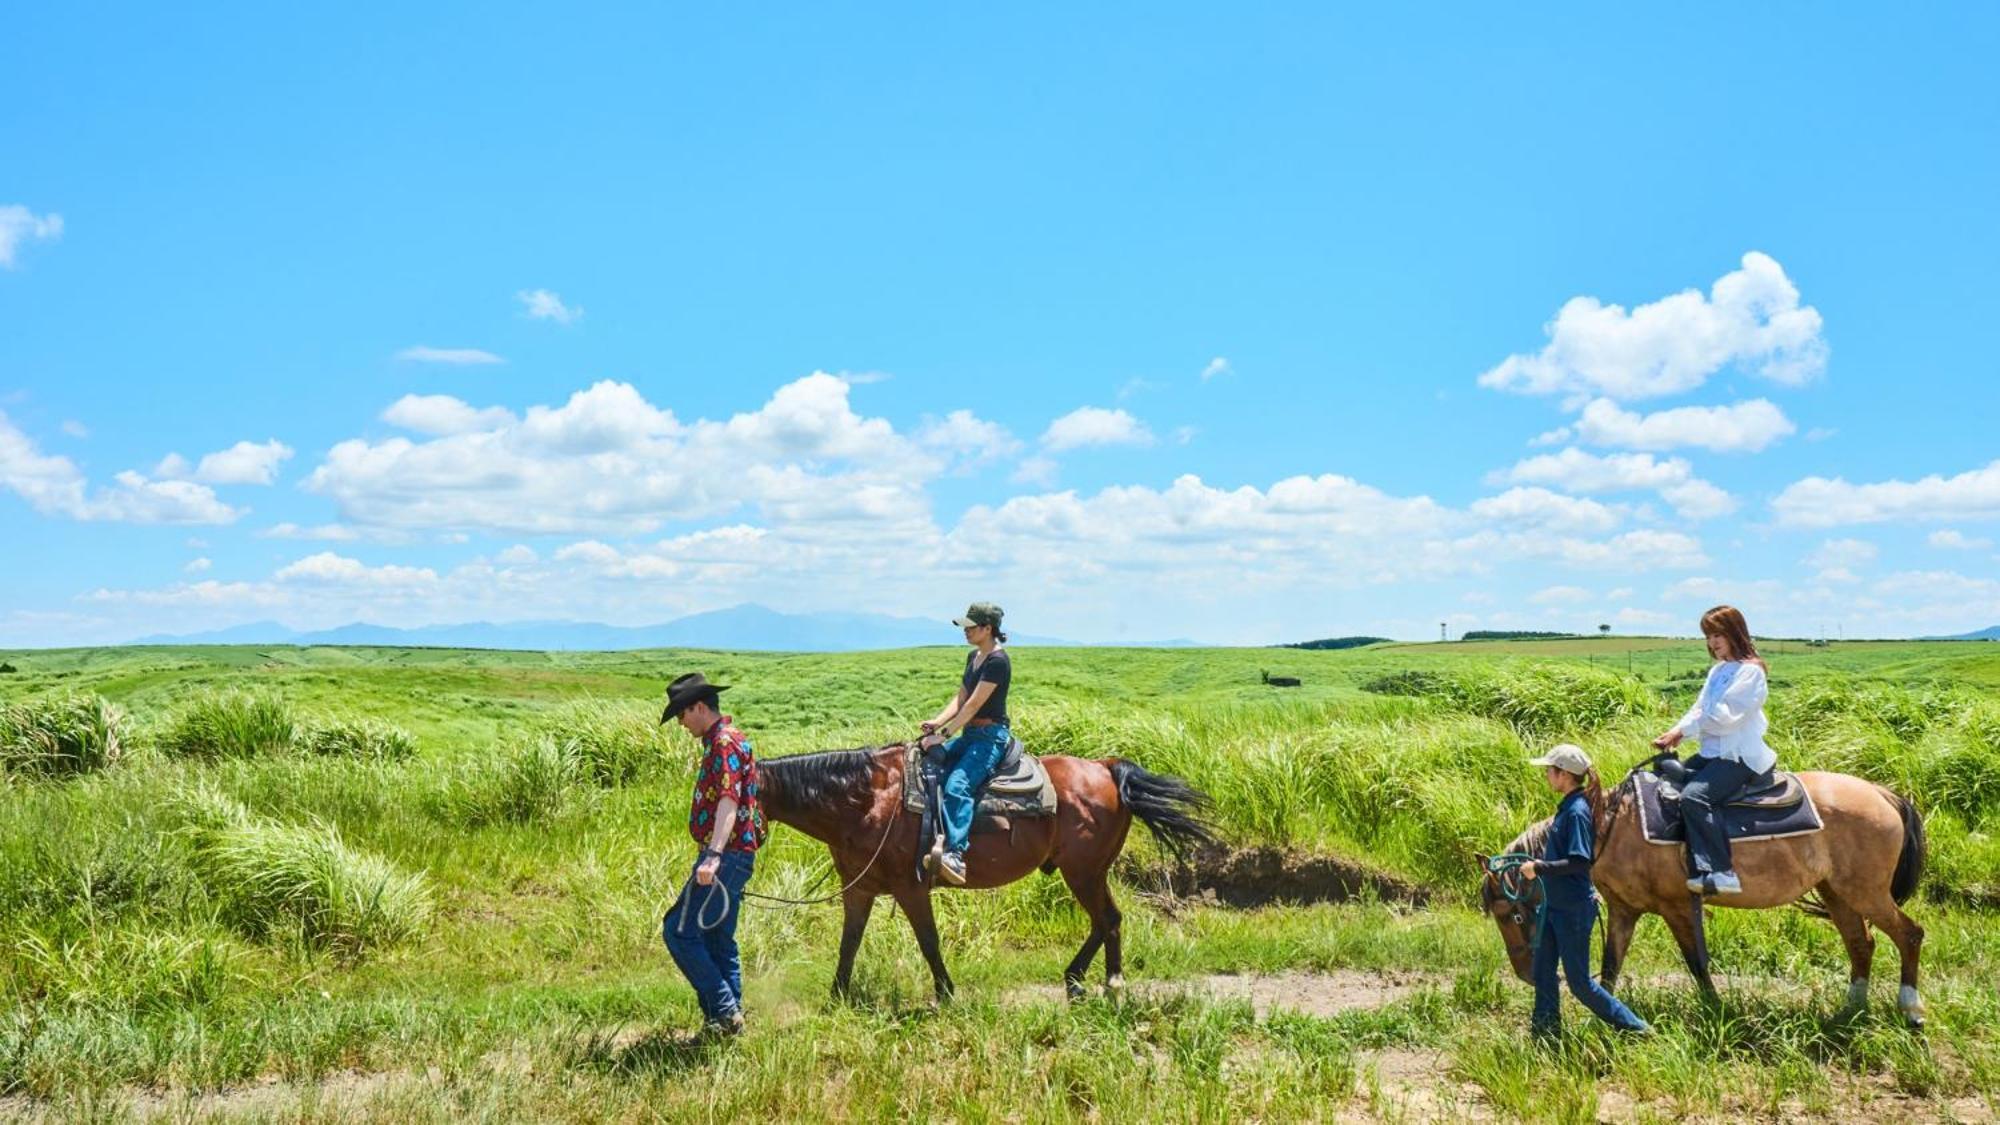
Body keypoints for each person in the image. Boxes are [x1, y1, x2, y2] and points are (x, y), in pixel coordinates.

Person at [1520, 744, 1653, 1039]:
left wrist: (1538, 867)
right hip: (1554, 906)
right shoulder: (1568, 807)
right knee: (1543, 972)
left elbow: (1580, 862)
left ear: (1564, 775)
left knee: (1580, 984)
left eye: (1549, 770)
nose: (1546, 775)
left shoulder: (1577, 812)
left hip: (1572, 910)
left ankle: (1638, 1029)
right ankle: (1545, 1035)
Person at [658, 672, 764, 1037]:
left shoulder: (723, 743)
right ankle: (727, 1025)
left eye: (682, 715)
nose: (681, 724)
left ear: (699, 707)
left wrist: (713, 855)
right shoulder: (726, 740)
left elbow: (728, 800)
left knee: (679, 932)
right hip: (735, 855)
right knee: (719, 938)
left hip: (726, 856)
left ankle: (724, 1011)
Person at [1652, 605, 1776, 896]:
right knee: (1664, 776)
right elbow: (1699, 709)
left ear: (1735, 632)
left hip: (1738, 756)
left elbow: (1724, 717)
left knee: (1695, 797)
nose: (1713, 641)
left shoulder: (1751, 673)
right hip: (1712, 754)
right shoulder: (1718, 671)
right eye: (1708, 635)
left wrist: (1685, 731)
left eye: (1718, 634)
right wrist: (1674, 732)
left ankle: (1722, 871)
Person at [918, 602, 1013, 887]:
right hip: (969, 735)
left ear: (988, 628)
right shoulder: (974, 656)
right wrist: (936, 722)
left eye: (972, 627)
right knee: (926, 766)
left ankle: (956, 854)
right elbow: (959, 699)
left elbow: (972, 707)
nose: (966, 631)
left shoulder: (998, 661)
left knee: (958, 784)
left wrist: (943, 736)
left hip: (989, 738)